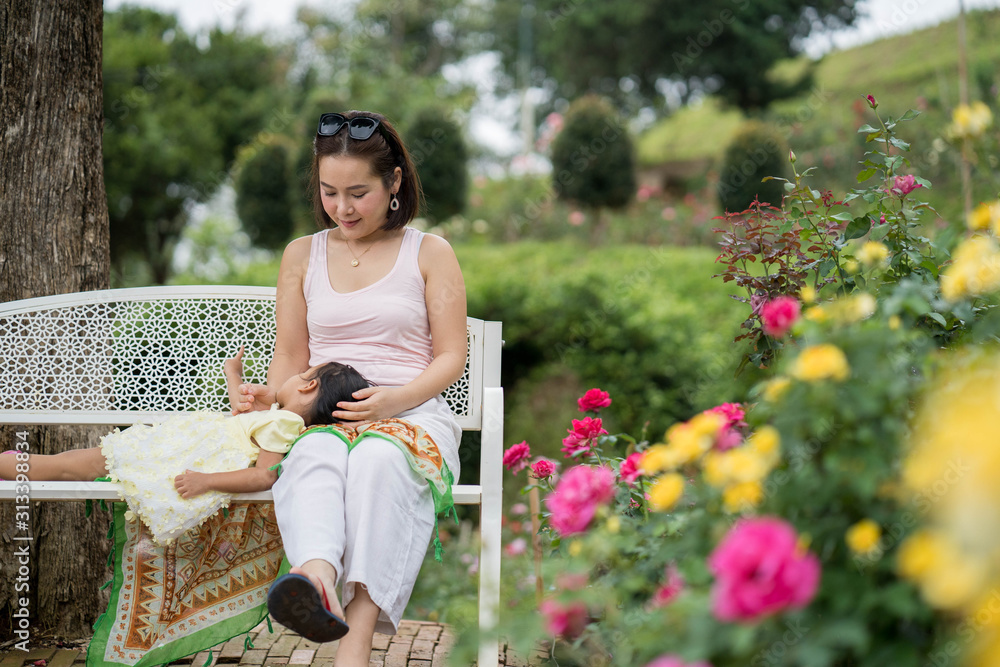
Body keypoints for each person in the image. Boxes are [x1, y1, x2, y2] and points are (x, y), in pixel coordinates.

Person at [231, 110, 467, 663]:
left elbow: (452, 356)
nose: (342, 208)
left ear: (394, 184)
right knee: (311, 453)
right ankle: (314, 577)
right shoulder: (302, 254)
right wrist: (273, 415)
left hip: (409, 414)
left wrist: (391, 401)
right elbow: (290, 357)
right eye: (329, 192)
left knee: (377, 465)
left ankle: (351, 650)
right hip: (325, 415)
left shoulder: (429, 252)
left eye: (358, 192)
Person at [0, 347, 372, 545]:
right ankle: (19, 463)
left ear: (307, 386)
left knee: (78, 465)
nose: (293, 377)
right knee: (80, 464)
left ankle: (16, 464)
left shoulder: (285, 422)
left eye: (302, 375)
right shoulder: (278, 416)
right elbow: (237, 425)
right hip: (177, 447)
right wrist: (234, 377)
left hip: (181, 456)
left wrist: (208, 481)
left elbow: (264, 475)